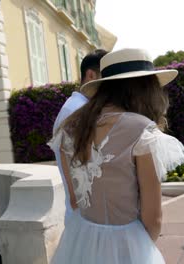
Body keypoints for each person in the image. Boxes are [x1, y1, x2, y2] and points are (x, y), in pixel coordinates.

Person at [48, 48, 184, 264]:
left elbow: (75, 199)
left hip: (80, 240)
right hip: (127, 244)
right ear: (144, 88)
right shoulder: (142, 132)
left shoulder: (70, 127)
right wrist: (137, 250)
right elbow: (153, 219)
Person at [52, 49, 108, 223]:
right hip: (86, 217)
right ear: (91, 75)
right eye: (106, 78)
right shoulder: (77, 111)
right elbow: (80, 171)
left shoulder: (78, 107)